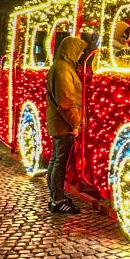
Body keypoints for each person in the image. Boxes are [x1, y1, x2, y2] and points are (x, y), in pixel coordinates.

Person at [45, 36, 86, 215]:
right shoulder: (63, 69)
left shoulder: (61, 66)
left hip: (59, 123)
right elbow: (66, 101)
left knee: (56, 160)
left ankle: (56, 197)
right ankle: (58, 200)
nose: (82, 53)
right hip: (64, 124)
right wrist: (76, 123)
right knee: (59, 161)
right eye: (80, 50)